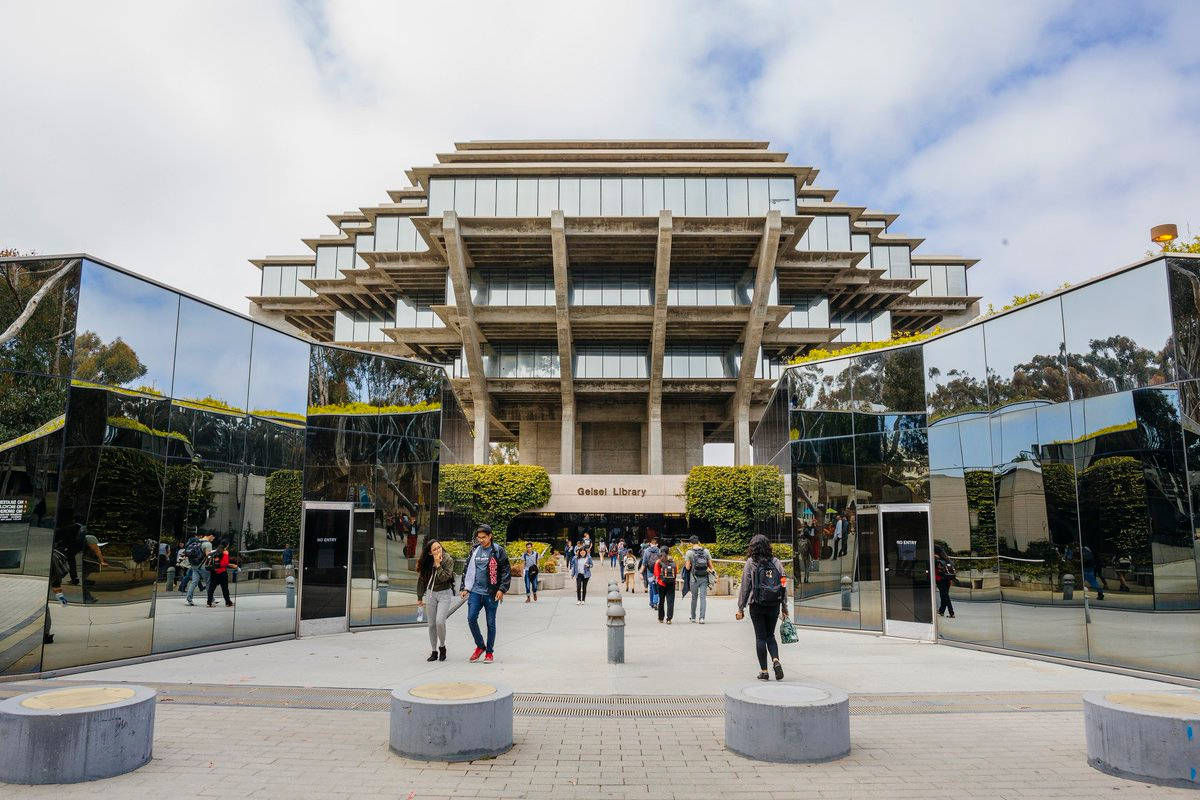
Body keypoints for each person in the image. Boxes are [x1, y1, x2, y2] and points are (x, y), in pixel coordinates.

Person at [737, 534, 789, 681]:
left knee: (760, 637)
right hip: (774, 604)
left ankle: (764, 671)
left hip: (757, 605)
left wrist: (741, 608)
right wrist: (784, 605)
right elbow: (783, 583)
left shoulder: (751, 563)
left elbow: (745, 587)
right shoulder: (776, 562)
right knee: (770, 635)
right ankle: (776, 660)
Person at [459, 524, 511, 663]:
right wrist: (465, 587)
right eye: (479, 537)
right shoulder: (475, 550)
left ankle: (489, 652)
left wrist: (502, 589)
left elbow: (506, 570)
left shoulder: (498, 550)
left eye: (483, 537)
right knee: (471, 618)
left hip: (491, 592)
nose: (481, 540)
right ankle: (480, 646)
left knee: (490, 623)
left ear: (490, 536)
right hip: (475, 591)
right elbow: (468, 568)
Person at [416, 538, 456, 662]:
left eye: (439, 547)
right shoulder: (427, 562)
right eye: (435, 549)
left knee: (440, 622)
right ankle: (434, 651)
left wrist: (438, 564)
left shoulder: (448, 559)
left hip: (444, 593)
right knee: (431, 624)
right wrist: (419, 597)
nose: (438, 550)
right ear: (430, 553)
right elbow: (422, 579)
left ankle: (442, 646)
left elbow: (445, 578)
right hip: (431, 594)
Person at [685, 535, 714, 624]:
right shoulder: (706, 551)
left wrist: (689, 564)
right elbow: (711, 566)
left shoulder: (689, 553)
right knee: (703, 598)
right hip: (704, 577)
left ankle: (693, 617)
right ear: (698, 541)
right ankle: (702, 618)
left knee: (694, 597)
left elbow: (687, 567)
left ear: (690, 543)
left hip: (694, 578)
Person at [206, 540, 237, 607]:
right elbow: (224, 563)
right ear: (227, 545)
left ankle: (209, 603)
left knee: (211, 588)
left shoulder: (214, 551)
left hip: (214, 572)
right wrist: (231, 565)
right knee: (225, 588)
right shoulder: (225, 552)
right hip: (222, 573)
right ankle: (228, 602)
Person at [184, 534, 211, 606]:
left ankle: (189, 599)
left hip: (194, 565)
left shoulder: (196, 542)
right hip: (202, 565)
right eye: (213, 537)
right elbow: (208, 555)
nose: (213, 539)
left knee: (194, 582)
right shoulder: (207, 544)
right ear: (211, 536)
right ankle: (211, 599)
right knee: (208, 581)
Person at [654, 549, 678, 624]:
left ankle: (661, 618)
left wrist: (660, 579)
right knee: (670, 601)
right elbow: (675, 573)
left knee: (661, 601)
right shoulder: (673, 562)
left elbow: (657, 574)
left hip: (661, 584)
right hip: (671, 584)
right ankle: (669, 619)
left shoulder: (658, 562)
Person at [934, 545, 956, 618]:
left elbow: (935, 569)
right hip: (947, 579)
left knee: (945, 596)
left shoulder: (936, 559)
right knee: (943, 595)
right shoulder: (947, 559)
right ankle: (941, 611)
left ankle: (951, 613)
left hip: (940, 580)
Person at [641, 536, 661, 609]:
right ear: (657, 544)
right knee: (657, 587)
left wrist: (641, 572)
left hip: (649, 571)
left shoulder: (646, 551)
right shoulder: (659, 551)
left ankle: (652, 603)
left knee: (651, 587)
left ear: (650, 543)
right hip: (658, 572)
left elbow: (644, 563)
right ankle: (657, 602)